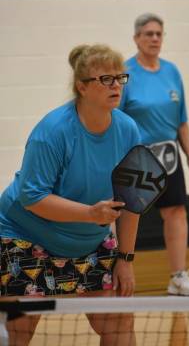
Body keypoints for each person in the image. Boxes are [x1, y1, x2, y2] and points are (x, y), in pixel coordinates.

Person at [0, 44, 141, 346]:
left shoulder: (129, 131)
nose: (116, 85)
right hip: (25, 233)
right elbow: (32, 197)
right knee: (18, 331)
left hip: (89, 240)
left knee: (119, 321)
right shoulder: (52, 132)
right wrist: (91, 214)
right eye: (106, 79)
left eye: (120, 77)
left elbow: (132, 202)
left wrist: (126, 258)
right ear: (82, 86)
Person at [120, 13, 189, 296]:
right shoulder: (125, 73)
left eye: (159, 34)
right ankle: (117, 273)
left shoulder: (172, 71)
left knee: (176, 212)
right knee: (128, 216)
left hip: (170, 157)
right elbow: (115, 121)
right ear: (136, 38)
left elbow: (182, 120)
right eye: (148, 34)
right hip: (138, 158)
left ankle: (178, 278)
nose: (154, 38)